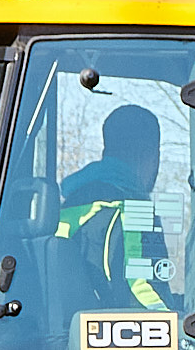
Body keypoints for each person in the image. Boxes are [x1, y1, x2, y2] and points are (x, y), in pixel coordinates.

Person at [54, 105, 175, 310]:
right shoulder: (131, 211)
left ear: (105, 152)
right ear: (148, 155)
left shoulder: (68, 206)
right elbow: (141, 292)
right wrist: (177, 318)